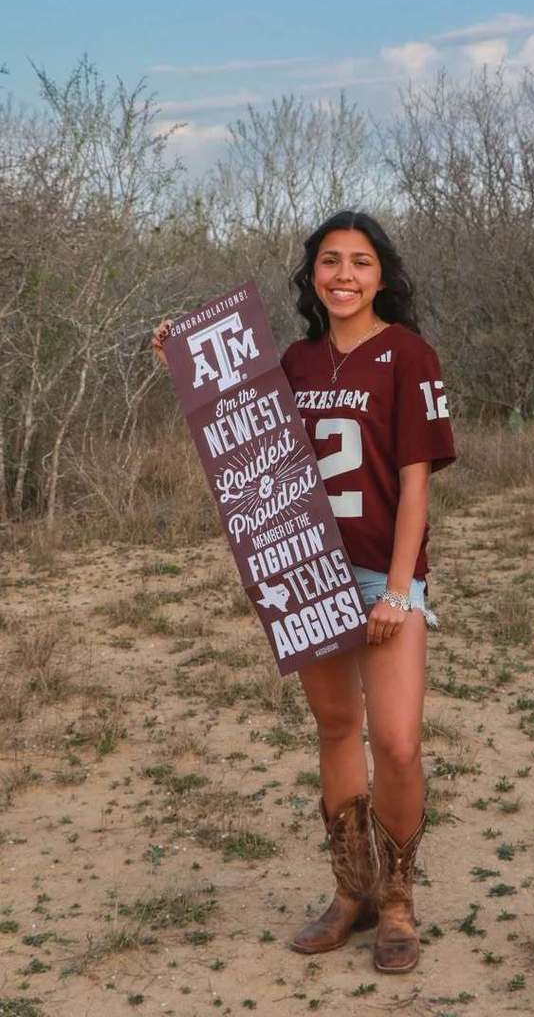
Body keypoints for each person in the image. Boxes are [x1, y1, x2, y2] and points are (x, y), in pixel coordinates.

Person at [152, 211, 456, 974]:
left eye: (359, 262)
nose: (343, 276)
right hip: (306, 568)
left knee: (395, 741)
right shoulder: (294, 359)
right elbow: (242, 436)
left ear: (381, 275)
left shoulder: (409, 355)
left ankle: (397, 902)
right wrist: (181, 362)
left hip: (380, 576)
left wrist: (396, 589)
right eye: (329, 262)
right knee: (332, 730)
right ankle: (351, 894)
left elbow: (415, 485)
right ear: (312, 274)